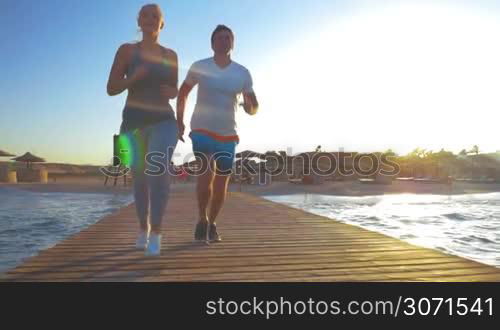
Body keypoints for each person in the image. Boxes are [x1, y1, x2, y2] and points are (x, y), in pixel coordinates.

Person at [107, 4, 179, 256]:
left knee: (158, 171)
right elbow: (111, 88)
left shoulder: (171, 55)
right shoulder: (126, 50)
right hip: (132, 122)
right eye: (145, 15)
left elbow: (173, 89)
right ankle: (143, 228)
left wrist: (175, 92)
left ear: (162, 24)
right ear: (139, 20)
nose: (149, 19)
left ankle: (157, 232)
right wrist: (133, 79)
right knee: (139, 180)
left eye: (155, 16)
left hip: (164, 120)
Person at [176, 25, 259, 243]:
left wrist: (250, 107)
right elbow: (183, 92)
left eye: (227, 38)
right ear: (212, 43)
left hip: (228, 133)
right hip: (202, 128)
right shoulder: (200, 67)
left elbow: (254, 106)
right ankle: (201, 219)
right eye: (220, 38)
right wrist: (179, 121)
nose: (224, 41)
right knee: (205, 177)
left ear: (232, 43)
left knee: (222, 184)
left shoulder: (242, 73)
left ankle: (211, 222)